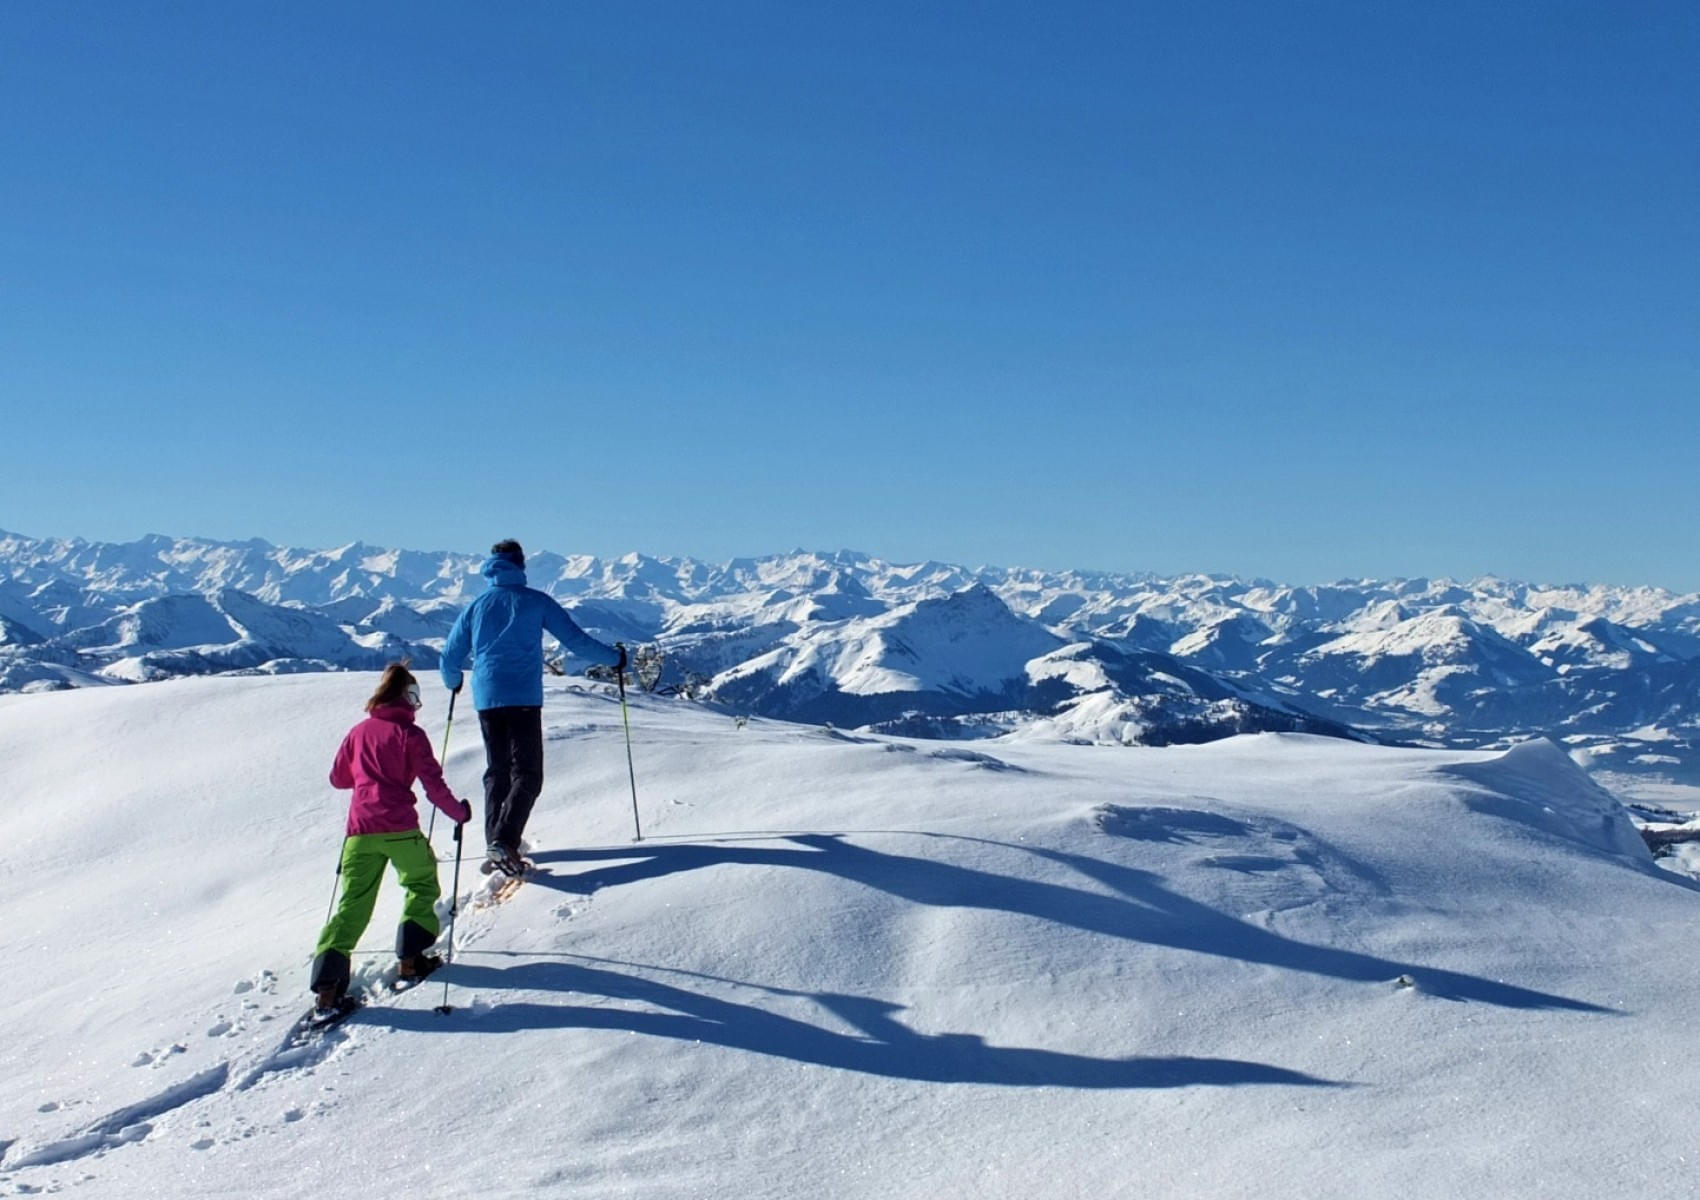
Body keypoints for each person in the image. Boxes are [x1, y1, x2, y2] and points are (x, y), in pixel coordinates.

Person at [440, 539, 624, 877]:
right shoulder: (535, 602)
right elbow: (576, 640)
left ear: (492, 566)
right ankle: (505, 841)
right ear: (520, 564)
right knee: (528, 773)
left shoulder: (477, 606)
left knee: (497, 771)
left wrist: (452, 681)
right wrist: (616, 658)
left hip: (488, 699)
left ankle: (496, 841)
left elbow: (449, 656)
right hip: (523, 698)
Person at [309, 662, 472, 1011]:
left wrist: (368, 773)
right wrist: (459, 813)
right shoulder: (411, 736)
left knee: (352, 905)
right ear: (404, 696)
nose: (416, 703)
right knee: (421, 883)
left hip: (359, 832)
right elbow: (433, 786)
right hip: (399, 827)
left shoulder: (358, 732)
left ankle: (327, 987)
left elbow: (338, 779)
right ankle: (411, 960)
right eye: (414, 695)